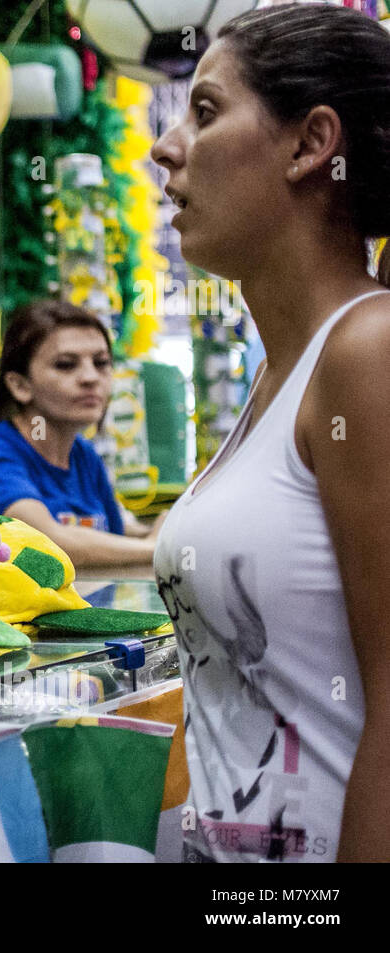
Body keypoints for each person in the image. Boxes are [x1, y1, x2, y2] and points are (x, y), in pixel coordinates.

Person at [150, 4, 390, 862]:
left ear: (308, 144)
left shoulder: (368, 351)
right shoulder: (277, 377)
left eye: (205, 111)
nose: (166, 146)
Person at [0, 299, 164, 567]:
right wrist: (156, 548)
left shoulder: (83, 455)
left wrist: (164, 528)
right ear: (19, 385)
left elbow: (113, 533)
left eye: (101, 363)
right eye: (65, 364)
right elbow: (47, 541)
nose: (90, 377)